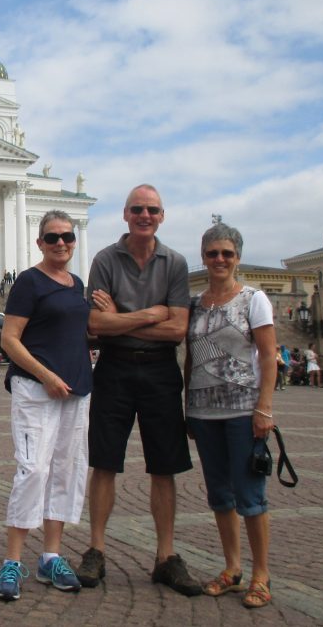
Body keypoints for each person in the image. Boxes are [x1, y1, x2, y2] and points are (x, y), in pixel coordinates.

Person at [76, 184, 200, 596]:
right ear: (125, 215)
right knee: (104, 462)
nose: (145, 215)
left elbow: (178, 329)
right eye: (137, 209)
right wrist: (151, 314)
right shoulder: (105, 259)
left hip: (161, 371)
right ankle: (96, 549)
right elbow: (96, 324)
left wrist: (122, 319)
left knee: (164, 465)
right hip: (114, 368)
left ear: (161, 216)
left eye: (152, 210)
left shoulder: (175, 263)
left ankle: (166, 556)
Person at [0, 210, 93, 601]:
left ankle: (51, 556)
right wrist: (45, 375)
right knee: (33, 468)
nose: (61, 243)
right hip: (36, 389)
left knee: (66, 470)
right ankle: (13, 560)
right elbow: (9, 339)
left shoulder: (77, 284)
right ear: (40, 243)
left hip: (75, 389)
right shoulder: (29, 282)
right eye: (52, 237)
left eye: (67, 236)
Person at [184, 223, 277, 609]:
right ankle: (232, 568)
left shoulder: (254, 299)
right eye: (212, 253)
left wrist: (264, 408)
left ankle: (261, 575)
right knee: (220, 495)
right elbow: (190, 359)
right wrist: (188, 407)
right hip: (204, 413)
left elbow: (268, 356)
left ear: (237, 257)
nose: (219, 259)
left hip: (243, 412)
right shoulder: (194, 304)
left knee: (250, 496)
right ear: (203, 258)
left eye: (227, 253)